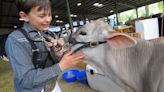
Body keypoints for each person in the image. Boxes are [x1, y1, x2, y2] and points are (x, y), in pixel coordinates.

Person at [5, 0, 84, 92]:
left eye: (49, 14)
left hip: (52, 86)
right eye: (42, 16)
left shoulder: (50, 34)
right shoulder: (16, 40)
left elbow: (53, 63)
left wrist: (58, 54)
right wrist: (61, 66)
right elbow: (25, 80)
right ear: (24, 16)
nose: (48, 19)